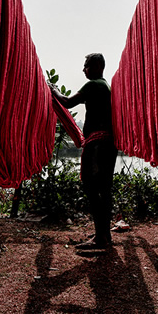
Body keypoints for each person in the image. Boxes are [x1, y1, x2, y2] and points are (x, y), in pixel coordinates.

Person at [50, 53, 116, 250]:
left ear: (96, 66)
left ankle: (100, 238)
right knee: (103, 190)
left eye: (86, 65)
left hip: (97, 144)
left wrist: (53, 90)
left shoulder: (94, 84)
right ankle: (104, 235)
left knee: (92, 188)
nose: (83, 69)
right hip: (106, 144)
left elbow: (68, 102)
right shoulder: (105, 86)